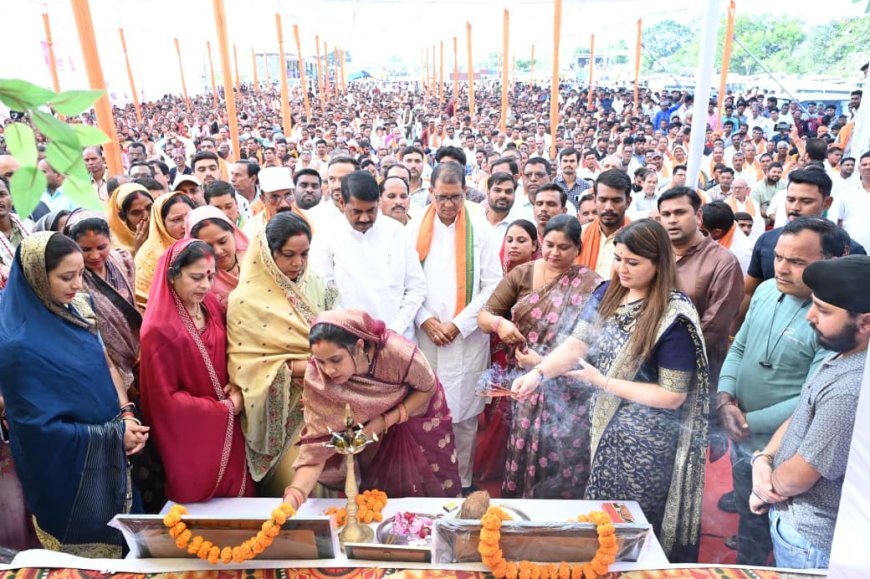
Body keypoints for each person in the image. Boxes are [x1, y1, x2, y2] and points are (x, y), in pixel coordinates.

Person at [512, 219, 709, 562]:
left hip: (648, 441)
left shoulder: (673, 318)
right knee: (603, 514)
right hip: (606, 429)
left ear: (659, 263)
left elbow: (672, 395)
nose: (622, 269)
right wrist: (538, 373)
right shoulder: (608, 292)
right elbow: (576, 345)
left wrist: (602, 381)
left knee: (633, 523)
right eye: (618, 259)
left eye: (633, 262)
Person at [0, 232, 147, 557]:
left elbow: (105, 364)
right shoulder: (17, 343)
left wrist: (126, 414)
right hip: (68, 471)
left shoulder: (78, 308)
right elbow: (38, 430)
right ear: (38, 277)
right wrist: (113, 436)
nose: (78, 285)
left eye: (81, 274)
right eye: (67, 277)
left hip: (111, 454)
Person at [718, 217, 846, 565]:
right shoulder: (764, 290)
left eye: (797, 262)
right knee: (749, 520)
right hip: (741, 433)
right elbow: (739, 347)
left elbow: (812, 397)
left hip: (788, 451)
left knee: (784, 530)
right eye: (778, 257)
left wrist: (749, 420)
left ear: (831, 261)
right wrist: (725, 398)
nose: (782, 269)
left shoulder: (833, 319)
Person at [750, 256, 870, 569]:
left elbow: (798, 478)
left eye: (823, 310)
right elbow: (802, 412)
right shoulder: (844, 351)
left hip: (810, 539)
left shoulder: (852, 388)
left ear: (866, 322)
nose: (809, 316)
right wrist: (763, 459)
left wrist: (766, 487)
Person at [281, 310, 461, 507]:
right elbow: (316, 447)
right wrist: (293, 499)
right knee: (380, 501)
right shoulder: (320, 378)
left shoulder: (397, 353)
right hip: (372, 436)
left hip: (415, 420)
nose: (328, 370)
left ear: (359, 346)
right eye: (320, 361)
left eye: (336, 360)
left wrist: (385, 421)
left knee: (428, 497)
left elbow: (428, 388)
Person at [478, 214, 602, 498]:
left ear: (578, 249)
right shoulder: (522, 274)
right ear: (540, 243)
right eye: (549, 245)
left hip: (570, 387)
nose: (555, 253)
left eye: (564, 247)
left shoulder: (591, 284)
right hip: (527, 384)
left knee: (564, 454)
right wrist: (500, 324)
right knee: (525, 448)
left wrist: (541, 363)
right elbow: (485, 316)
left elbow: (591, 344)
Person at [228, 213, 339, 495]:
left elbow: (338, 333)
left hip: (327, 401)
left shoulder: (315, 282)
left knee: (337, 480)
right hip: (282, 409)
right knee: (301, 488)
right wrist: (312, 366)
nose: (298, 263)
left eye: (304, 254)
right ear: (268, 252)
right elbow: (248, 367)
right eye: (288, 255)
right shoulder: (245, 300)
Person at [409, 162, 501, 493]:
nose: (448, 205)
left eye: (455, 197)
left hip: (466, 337)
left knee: (464, 417)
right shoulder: (412, 229)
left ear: (465, 192)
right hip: (426, 336)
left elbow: (494, 285)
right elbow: (404, 283)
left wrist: (458, 325)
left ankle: (462, 484)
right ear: (430, 192)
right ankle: (427, 483)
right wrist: (426, 320)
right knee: (425, 413)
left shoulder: (481, 229)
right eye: (442, 197)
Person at [139, 239, 254, 503]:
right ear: (172, 276)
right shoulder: (158, 329)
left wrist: (237, 383)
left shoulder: (209, 305)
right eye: (196, 277)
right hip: (191, 435)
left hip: (229, 423)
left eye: (210, 277)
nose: (205, 285)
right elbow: (164, 401)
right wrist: (224, 409)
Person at [310, 171, 426, 341]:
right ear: (342, 203)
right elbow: (324, 290)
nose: (364, 218)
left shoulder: (397, 232)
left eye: (371, 211)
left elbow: (416, 287)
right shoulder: (326, 237)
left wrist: (394, 330)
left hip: (398, 337)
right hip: (349, 339)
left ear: (378, 202)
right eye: (356, 211)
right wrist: (353, 331)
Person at [658, 187, 743, 382]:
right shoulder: (655, 255)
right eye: (666, 214)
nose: (672, 220)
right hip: (652, 365)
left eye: (680, 212)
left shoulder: (724, 263)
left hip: (698, 371)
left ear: (698, 216)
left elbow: (714, 326)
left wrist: (667, 351)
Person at [134, 192, 195, 308]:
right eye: (177, 220)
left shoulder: (204, 242)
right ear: (161, 223)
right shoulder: (148, 257)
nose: (185, 225)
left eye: (189, 217)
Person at [186, 205, 248, 313]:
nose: (218, 251)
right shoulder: (199, 281)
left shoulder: (254, 258)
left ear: (234, 234)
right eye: (208, 246)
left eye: (222, 241)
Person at [578, 169, 633, 278]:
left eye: (616, 200)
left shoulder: (638, 239)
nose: (608, 207)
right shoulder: (579, 235)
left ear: (628, 202)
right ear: (595, 201)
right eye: (603, 200)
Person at [701, 201, 754, 274]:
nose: (696, 232)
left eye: (700, 230)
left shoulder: (741, 254)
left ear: (717, 232)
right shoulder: (726, 228)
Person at [106, 182, 154, 256]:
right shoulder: (112, 248)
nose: (146, 216)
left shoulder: (166, 230)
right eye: (136, 212)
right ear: (122, 217)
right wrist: (139, 249)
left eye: (149, 208)